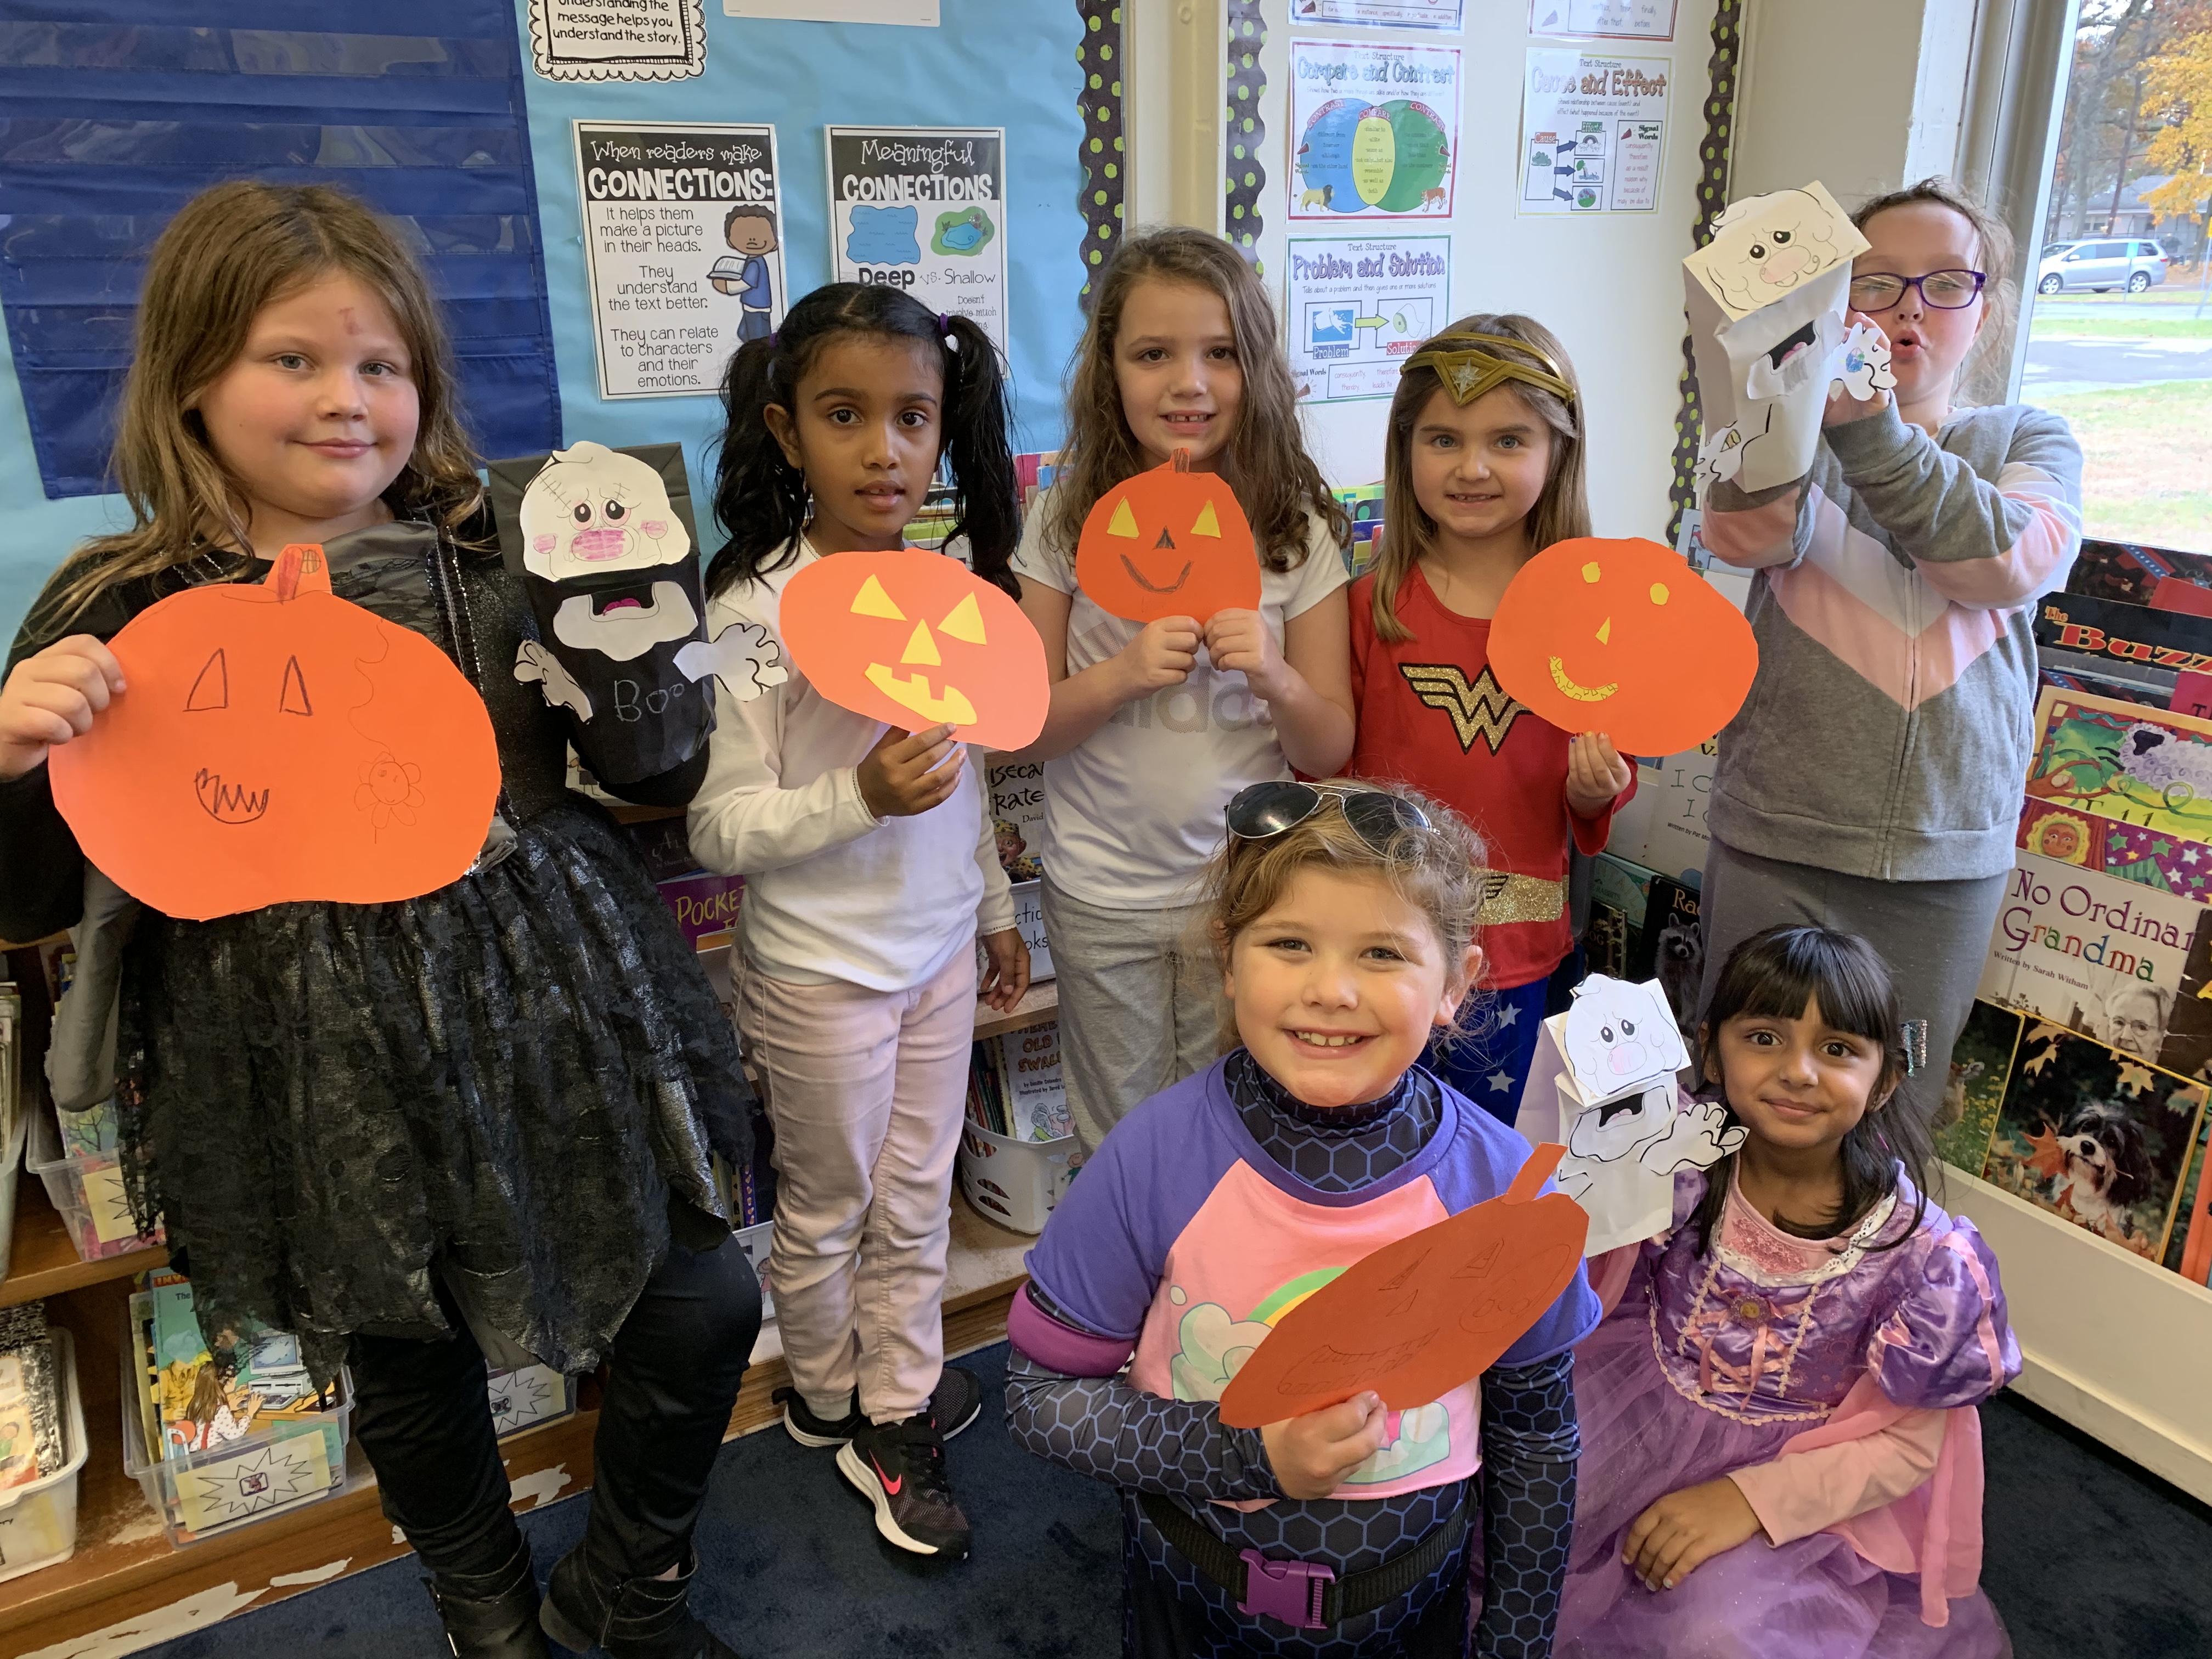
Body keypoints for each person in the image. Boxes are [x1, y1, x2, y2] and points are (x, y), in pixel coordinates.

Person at [0, 182, 759, 1659]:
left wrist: (648, 669)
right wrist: (14, 755)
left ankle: (633, 1575)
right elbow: (30, 895)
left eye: (382, 365)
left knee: (699, 1292)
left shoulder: (512, 551)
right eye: (294, 360)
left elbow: (653, 772)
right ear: (194, 377)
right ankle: (486, 1608)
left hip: (553, 1004)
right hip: (301, 1045)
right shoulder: (123, 600)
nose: (345, 401)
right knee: (409, 1346)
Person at [1006, 778, 1600, 1657]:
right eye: (1289, 943)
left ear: (1456, 983)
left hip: (1414, 1609)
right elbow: (1041, 1398)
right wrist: (1247, 1454)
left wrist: (1515, 1640)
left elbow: (1537, 1432)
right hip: (1193, 1598)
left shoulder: (1508, 1191)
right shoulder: (1152, 1160)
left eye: (1382, 955)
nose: (1331, 990)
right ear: (1229, 958)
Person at [688, 283, 1029, 1562]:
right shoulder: (751, 620)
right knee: (830, 1208)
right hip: (820, 973)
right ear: (787, 433)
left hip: (939, 950)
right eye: (846, 416)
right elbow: (720, 829)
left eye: (912, 419)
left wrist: (996, 906)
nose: (884, 450)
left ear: (943, 432)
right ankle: (829, 1393)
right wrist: (856, 795)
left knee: (917, 1197)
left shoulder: (946, 591)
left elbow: (976, 768)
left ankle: (892, 1397)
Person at [1698, 176, 2084, 1115]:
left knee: (1895, 1108)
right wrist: (1768, 394)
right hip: (1776, 838)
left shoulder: (2027, 436)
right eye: (1875, 284)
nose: (1908, 309)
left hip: (1943, 857)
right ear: (1835, 302)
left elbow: (2010, 558)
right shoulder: (1794, 441)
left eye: (1945, 282)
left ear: (1984, 310)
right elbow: (1743, 534)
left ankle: (1889, 1271)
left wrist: (1874, 432)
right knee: (1741, 1102)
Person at [1558, 925, 2019, 1657]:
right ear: (1711, 1050)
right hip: (1633, 1414)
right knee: (1524, 1513)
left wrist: (1748, 1501)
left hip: (1804, 1484)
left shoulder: (1921, 1255)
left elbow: (1908, 1446)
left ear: (1886, 1079)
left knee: (1720, 1632)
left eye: (1836, 1049)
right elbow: (1574, 1249)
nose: (1798, 1071)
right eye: (1765, 1037)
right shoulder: (1680, 1166)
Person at [1013, 226, 1357, 1158]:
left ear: (1256, 369)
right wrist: (1121, 672)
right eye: (1153, 354)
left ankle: (1208, 1305)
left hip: (1242, 895)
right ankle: (1118, 1303)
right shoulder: (1062, 516)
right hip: (1102, 891)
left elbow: (1327, 744)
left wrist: (1274, 673)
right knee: (1119, 1140)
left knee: (1232, 1128)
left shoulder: (1293, 530)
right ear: (1108, 372)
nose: (1188, 383)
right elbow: (1027, 725)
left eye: (1218, 354)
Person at [1345, 314, 1635, 1124]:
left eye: (1508, 441)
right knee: (1373, 1150)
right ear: (1407, 451)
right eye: (1443, 440)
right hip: (1381, 944)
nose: (1472, 467)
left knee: (1490, 1169)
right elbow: (1327, 777)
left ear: (1557, 454)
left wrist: (1592, 790)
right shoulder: (1368, 607)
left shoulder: (1592, 620)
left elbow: (1601, 796)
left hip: (1516, 959)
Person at [707, 204, 779, 342]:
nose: (752, 239)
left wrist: (725, 287)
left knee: (759, 342)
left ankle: (760, 362)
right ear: (730, 240)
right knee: (743, 333)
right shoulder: (751, 260)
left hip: (758, 309)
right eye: (744, 234)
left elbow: (744, 284)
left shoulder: (755, 263)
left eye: (759, 233)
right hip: (750, 307)